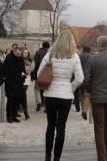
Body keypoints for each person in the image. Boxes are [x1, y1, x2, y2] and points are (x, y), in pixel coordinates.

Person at [38, 31, 84, 161]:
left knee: (50, 124)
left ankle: (47, 155)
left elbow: (39, 73)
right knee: (61, 126)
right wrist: (70, 88)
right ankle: (57, 157)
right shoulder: (74, 56)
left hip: (51, 93)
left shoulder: (50, 54)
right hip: (65, 95)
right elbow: (80, 78)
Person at [3, 47, 25, 123]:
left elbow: (23, 70)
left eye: (19, 54)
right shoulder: (9, 59)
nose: (18, 55)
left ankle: (14, 115)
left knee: (16, 100)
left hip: (18, 82)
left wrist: (23, 77)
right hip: (10, 82)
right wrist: (9, 81)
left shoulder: (21, 60)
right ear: (14, 52)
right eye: (17, 54)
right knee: (11, 100)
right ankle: (9, 116)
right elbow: (5, 71)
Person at [32, 41, 50, 111]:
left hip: (39, 73)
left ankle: (38, 102)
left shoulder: (38, 53)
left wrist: (33, 74)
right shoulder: (50, 54)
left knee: (37, 88)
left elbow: (34, 64)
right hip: (47, 74)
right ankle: (46, 104)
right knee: (46, 89)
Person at [78, 45, 92, 120]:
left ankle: (83, 109)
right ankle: (85, 110)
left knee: (81, 96)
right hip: (87, 79)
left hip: (79, 78)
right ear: (89, 50)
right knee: (87, 96)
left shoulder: (78, 57)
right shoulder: (91, 57)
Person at [21, 47, 33, 120]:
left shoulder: (28, 61)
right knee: (22, 96)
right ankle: (25, 112)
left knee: (23, 95)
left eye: (26, 53)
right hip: (21, 80)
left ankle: (25, 112)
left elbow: (31, 69)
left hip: (26, 79)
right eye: (24, 53)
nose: (26, 54)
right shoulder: (19, 61)